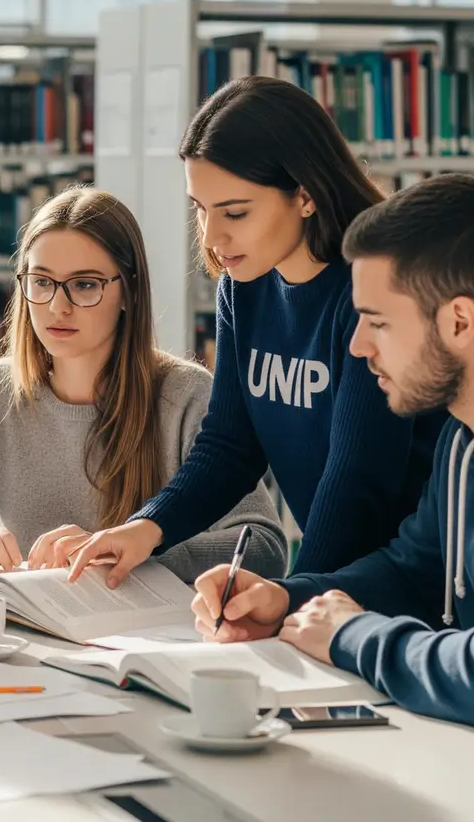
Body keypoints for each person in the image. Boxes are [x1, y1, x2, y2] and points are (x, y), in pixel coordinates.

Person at [70, 77, 447, 587]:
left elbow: (357, 482)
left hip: (412, 586)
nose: (212, 236)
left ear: (306, 195)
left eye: (235, 212)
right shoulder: (243, 288)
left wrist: (292, 601)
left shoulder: (370, 294)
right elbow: (229, 445)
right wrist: (146, 526)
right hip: (337, 584)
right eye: (200, 209)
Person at [190, 173, 474, 727]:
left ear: (459, 321)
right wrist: (286, 600)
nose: (356, 347)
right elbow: (413, 572)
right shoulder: (460, 440)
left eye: (378, 322)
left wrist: (352, 634)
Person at [0, 187, 287, 583]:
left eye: (85, 285)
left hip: (149, 636)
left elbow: (265, 549)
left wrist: (138, 550)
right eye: (41, 282)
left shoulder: (185, 395)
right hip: (29, 635)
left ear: (129, 292)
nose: (58, 306)